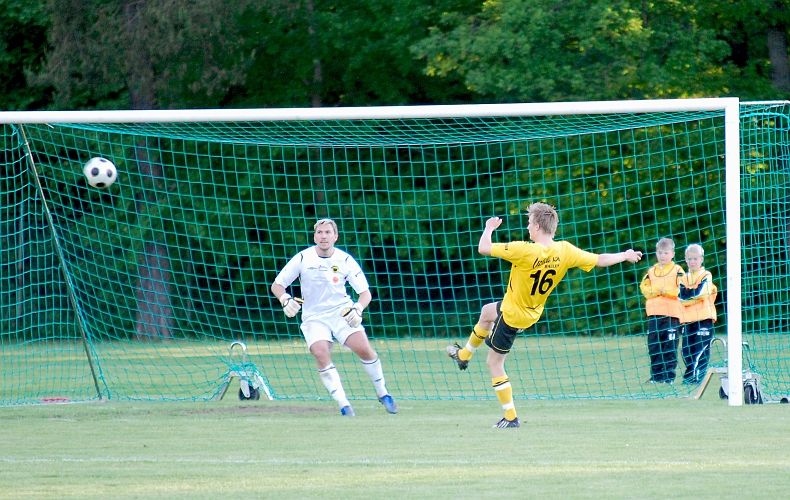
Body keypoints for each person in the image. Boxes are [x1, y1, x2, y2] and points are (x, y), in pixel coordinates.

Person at [445, 203, 643, 428]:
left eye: (529, 223)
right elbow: (599, 260)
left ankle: (510, 418)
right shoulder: (565, 250)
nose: (528, 227)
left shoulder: (525, 250)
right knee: (486, 312)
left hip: (513, 315)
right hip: (531, 311)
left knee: (494, 363)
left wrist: (489, 228)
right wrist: (625, 255)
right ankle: (464, 355)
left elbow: (483, 247)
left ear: (537, 226)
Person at [271, 218, 398, 416]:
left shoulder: (345, 260)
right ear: (314, 236)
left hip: (342, 312)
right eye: (320, 232)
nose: (323, 236)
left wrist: (357, 309)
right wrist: (285, 299)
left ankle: (383, 393)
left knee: (364, 349)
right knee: (321, 353)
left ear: (335, 236)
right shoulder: (303, 258)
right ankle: (344, 405)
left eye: (328, 232)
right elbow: (277, 285)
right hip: (314, 316)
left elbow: (365, 293)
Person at [639, 238, 685, 384]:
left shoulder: (678, 270)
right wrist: (656, 291)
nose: (663, 255)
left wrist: (667, 292)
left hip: (671, 314)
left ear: (672, 253)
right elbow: (644, 288)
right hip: (654, 314)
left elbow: (682, 289)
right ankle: (656, 376)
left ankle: (668, 377)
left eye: (666, 253)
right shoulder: (651, 271)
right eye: (660, 253)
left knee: (669, 346)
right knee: (654, 346)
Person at [678, 244, 718, 384]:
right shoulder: (683, 278)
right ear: (686, 260)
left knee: (701, 350)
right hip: (688, 320)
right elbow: (681, 297)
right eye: (689, 259)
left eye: (695, 258)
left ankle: (697, 378)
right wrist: (692, 296)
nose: (692, 261)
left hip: (704, 319)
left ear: (701, 259)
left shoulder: (706, 275)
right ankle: (690, 376)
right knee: (687, 351)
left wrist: (690, 295)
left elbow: (702, 293)